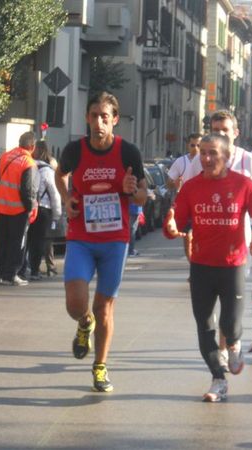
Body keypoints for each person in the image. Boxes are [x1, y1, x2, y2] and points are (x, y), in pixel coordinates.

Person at [163, 133, 252, 402]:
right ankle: (218, 379)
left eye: (212, 153)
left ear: (226, 156)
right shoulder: (191, 187)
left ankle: (234, 345)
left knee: (230, 325)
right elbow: (176, 223)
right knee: (205, 326)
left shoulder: (243, 185)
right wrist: (172, 228)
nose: (207, 158)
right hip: (201, 265)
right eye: (203, 153)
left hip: (232, 265)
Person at [55, 91, 147, 392]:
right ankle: (84, 323)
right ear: (87, 117)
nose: (98, 122)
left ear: (114, 120)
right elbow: (60, 175)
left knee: (105, 307)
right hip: (81, 236)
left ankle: (100, 366)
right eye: (93, 116)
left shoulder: (128, 152)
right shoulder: (75, 150)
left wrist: (132, 190)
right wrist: (67, 199)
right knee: (75, 303)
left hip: (114, 241)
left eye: (104, 117)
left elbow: (143, 195)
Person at [186, 110, 252, 363]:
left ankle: (228, 346)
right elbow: (187, 194)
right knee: (208, 314)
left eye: (225, 130)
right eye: (215, 129)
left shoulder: (248, 161)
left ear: (235, 133)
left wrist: (246, 201)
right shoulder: (200, 160)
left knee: (229, 309)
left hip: (238, 243)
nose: (220, 134)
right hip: (206, 246)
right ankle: (222, 353)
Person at [0, 131, 39, 286]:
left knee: (3, 242)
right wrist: (31, 208)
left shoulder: (5, 156)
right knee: (17, 243)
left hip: (2, 207)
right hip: (18, 210)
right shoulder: (28, 163)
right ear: (32, 147)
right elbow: (29, 190)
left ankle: (0, 273)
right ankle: (11, 274)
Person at [26, 140, 62, 280]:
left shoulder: (28, 166)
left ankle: (23, 268)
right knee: (38, 241)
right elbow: (54, 193)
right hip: (43, 210)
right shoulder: (47, 170)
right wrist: (57, 214)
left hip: (28, 207)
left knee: (27, 240)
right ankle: (35, 270)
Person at [167, 132, 202, 261]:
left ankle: (198, 262)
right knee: (188, 236)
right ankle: (192, 262)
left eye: (199, 145)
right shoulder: (180, 162)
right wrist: (175, 184)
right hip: (186, 204)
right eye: (193, 145)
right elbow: (169, 183)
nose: (196, 148)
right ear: (188, 145)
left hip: (203, 204)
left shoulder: (207, 161)